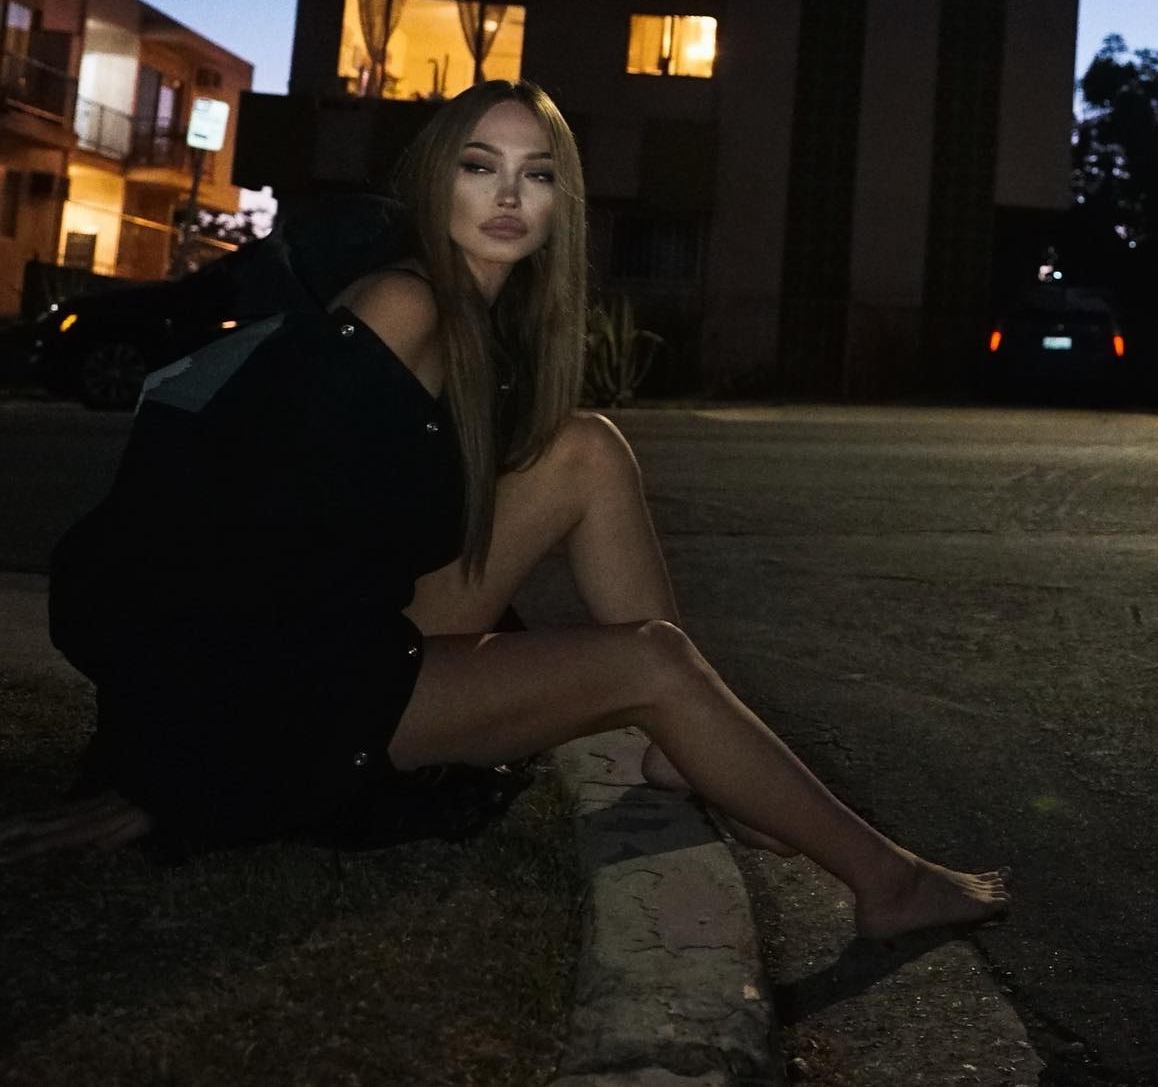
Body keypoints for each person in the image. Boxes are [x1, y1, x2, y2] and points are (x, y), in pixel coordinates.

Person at [2, 80, 1010, 940]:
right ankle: (886, 883)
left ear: (562, 203)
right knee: (651, 660)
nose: (509, 195)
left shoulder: (483, 325)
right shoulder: (402, 308)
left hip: (354, 627)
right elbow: (236, 532)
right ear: (434, 179)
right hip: (301, 688)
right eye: (480, 165)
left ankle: (681, 746)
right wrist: (173, 771)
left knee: (585, 448)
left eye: (537, 174)